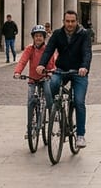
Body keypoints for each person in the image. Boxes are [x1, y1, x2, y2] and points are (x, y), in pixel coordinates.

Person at [35, 10, 93, 148]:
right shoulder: (57, 34)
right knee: (52, 84)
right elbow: (49, 50)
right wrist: (42, 64)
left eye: (73, 21)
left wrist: (84, 67)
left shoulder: (83, 34)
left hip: (79, 72)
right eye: (67, 21)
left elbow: (87, 52)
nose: (70, 24)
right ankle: (57, 108)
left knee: (79, 102)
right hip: (61, 69)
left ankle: (80, 135)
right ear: (63, 21)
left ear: (77, 21)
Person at [13, 25, 56, 139]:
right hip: (32, 79)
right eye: (36, 36)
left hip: (45, 78)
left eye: (40, 36)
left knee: (48, 94)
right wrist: (18, 72)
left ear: (44, 37)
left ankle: (51, 117)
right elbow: (23, 61)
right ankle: (29, 129)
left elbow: (53, 62)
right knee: (30, 101)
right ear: (33, 37)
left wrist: (51, 71)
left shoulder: (48, 49)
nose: (38, 38)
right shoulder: (29, 49)